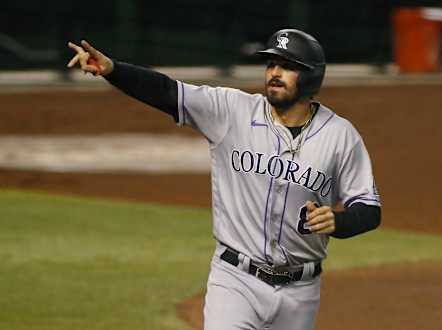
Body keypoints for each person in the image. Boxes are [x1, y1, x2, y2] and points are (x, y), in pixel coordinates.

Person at [67, 28, 381, 330]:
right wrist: (112, 69)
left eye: (287, 67)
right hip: (236, 282)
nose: (274, 73)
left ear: (311, 76)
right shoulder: (232, 111)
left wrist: (338, 223)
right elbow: (166, 91)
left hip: (301, 292)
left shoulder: (340, 136)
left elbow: (369, 210)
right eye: (271, 64)